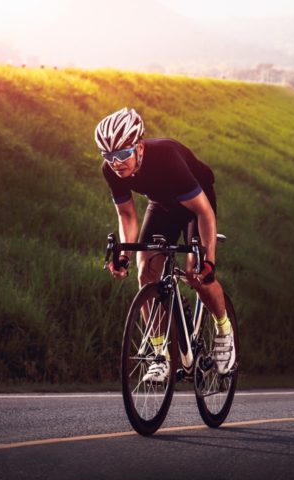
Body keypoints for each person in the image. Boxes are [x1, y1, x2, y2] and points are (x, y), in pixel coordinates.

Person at [95, 107, 235, 381]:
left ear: (139, 147)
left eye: (123, 154)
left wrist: (209, 261)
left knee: (197, 273)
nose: (116, 163)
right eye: (108, 156)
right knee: (146, 270)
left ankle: (224, 330)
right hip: (162, 203)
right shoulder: (111, 170)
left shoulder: (167, 157)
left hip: (196, 202)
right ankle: (160, 356)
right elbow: (126, 215)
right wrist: (122, 255)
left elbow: (204, 212)